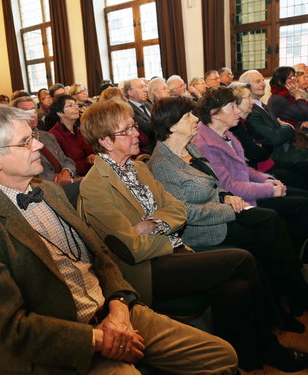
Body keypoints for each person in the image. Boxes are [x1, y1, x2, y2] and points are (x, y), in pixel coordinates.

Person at [0, 103, 239, 375]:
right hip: (65, 342)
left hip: (113, 311)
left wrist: (120, 306)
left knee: (222, 355)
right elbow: (10, 329)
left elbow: (100, 256)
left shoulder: (48, 191)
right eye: (25, 142)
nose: (38, 145)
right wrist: (98, 338)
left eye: (33, 136)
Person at [78, 98, 308, 372]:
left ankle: (248, 357)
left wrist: (155, 223)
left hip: (173, 250)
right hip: (147, 270)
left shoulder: (138, 168)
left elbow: (176, 209)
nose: (136, 134)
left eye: (132, 126)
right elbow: (132, 247)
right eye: (126, 131)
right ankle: (273, 344)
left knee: (237, 288)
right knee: (243, 258)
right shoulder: (94, 185)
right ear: (105, 141)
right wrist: (167, 229)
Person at [147, 96, 308, 317]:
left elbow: (215, 182)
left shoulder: (190, 147)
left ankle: (290, 296)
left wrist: (225, 196)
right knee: (266, 236)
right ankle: (286, 301)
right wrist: (228, 206)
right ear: (173, 126)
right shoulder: (161, 165)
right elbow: (185, 213)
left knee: (270, 225)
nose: (195, 119)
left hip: (222, 210)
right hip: (204, 230)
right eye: (188, 116)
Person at [193, 87, 308, 259]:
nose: (238, 110)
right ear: (215, 113)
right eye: (232, 107)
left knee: (302, 198)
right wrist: (269, 190)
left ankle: (293, 251)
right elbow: (229, 186)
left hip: (250, 190)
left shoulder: (226, 133)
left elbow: (243, 168)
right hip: (241, 200)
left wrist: (268, 180)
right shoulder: (205, 143)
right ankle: (292, 255)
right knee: (302, 205)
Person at [229, 83, 308, 190]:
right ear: (236, 103)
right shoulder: (237, 126)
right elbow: (259, 151)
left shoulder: (246, 122)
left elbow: (265, 145)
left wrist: (261, 147)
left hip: (269, 162)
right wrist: (261, 147)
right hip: (262, 169)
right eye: (248, 97)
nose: (252, 102)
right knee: (300, 182)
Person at [238, 69, 308, 167]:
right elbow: (274, 138)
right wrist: (288, 126)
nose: (263, 84)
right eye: (258, 81)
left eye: (263, 80)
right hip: (276, 156)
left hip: (285, 149)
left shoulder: (262, 105)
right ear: (246, 87)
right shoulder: (250, 111)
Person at [49, 95, 95, 176]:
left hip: (90, 173)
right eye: (70, 105)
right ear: (60, 113)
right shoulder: (54, 135)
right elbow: (61, 166)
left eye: (76, 104)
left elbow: (90, 152)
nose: (76, 107)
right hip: (74, 177)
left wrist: (92, 156)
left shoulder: (79, 130)